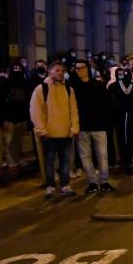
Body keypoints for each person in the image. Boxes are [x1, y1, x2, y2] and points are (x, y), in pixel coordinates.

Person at [29, 61, 79, 198]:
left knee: (65, 161)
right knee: (49, 162)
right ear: (50, 71)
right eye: (57, 70)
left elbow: (73, 110)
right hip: (49, 133)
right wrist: (42, 130)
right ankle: (50, 186)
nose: (61, 73)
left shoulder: (69, 89)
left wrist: (74, 127)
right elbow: (35, 111)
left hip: (66, 132)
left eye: (62, 71)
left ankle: (65, 185)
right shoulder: (41, 89)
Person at [71, 59, 116, 193]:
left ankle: (104, 181)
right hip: (82, 127)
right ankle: (92, 182)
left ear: (88, 69)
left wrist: (107, 122)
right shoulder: (74, 87)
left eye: (82, 68)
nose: (79, 70)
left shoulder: (98, 85)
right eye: (77, 68)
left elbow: (108, 104)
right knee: (86, 156)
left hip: (99, 125)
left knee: (102, 155)